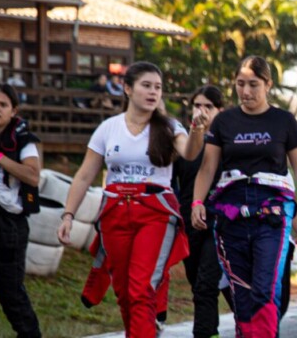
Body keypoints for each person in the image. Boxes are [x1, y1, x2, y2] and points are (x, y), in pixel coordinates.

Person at [57, 62, 203, 337]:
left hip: (155, 213)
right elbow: (84, 175)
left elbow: (191, 153)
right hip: (115, 212)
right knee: (124, 291)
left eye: (157, 87)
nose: (153, 92)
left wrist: (197, 130)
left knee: (141, 287)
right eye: (146, 86)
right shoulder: (108, 128)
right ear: (127, 88)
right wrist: (68, 215)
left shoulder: (170, 127)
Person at [188, 55, 297, 337]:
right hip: (231, 216)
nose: (245, 91)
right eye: (240, 84)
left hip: (271, 216)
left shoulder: (284, 121)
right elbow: (207, 168)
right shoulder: (224, 122)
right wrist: (197, 202)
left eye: (253, 84)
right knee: (242, 295)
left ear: (268, 84)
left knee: (264, 290)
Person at [171, 85, 234, 338]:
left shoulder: (228, 145)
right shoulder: (183, 144)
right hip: (189, 223)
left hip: (219, 222)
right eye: (198, 105)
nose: (202, 111)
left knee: (206, 284)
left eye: (209, 106)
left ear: (220, 111)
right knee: (199, 285)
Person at [0, 83, 42, 338]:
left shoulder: (23, 140)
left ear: (13, 111)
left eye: (2, 105)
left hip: (8, 223)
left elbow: (33, 176)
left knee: (11, 292)